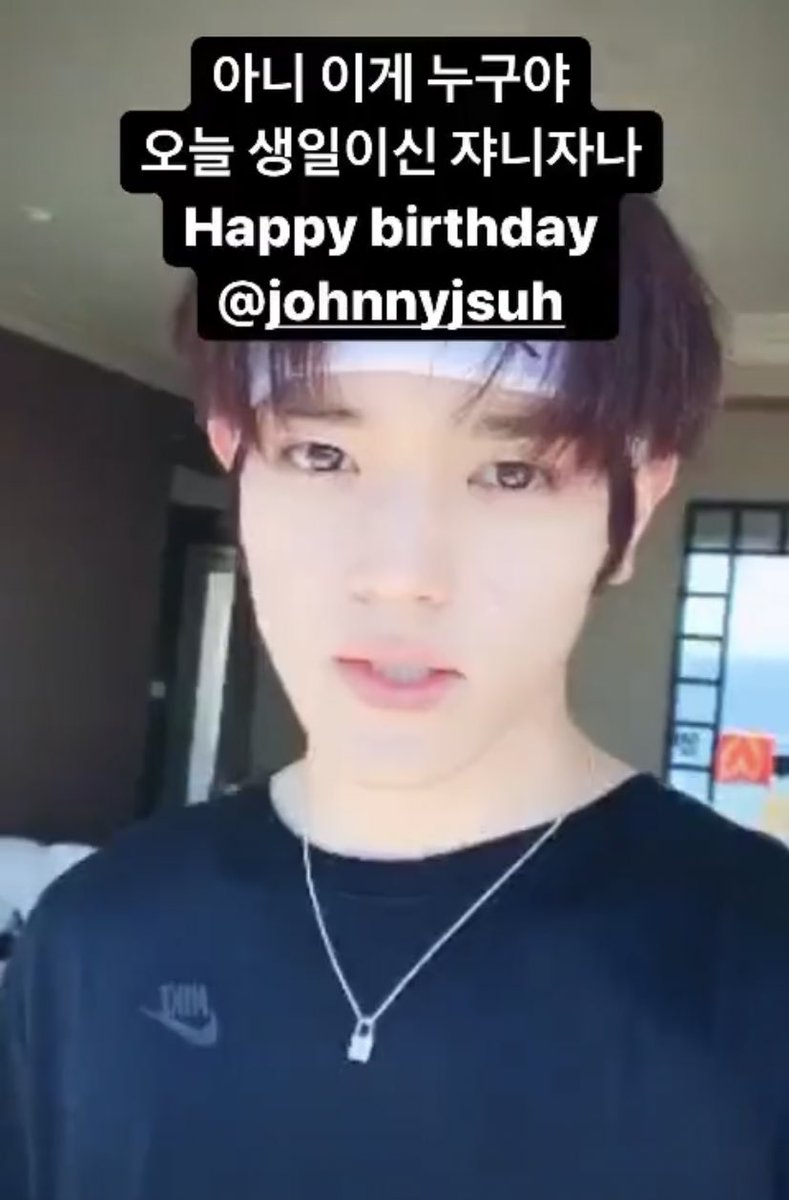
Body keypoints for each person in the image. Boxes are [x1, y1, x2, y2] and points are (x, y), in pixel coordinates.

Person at [3, 194, 789, 1200]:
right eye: (321, 455)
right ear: (237, 463)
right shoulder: (91, 938)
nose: (401, 575)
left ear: (631, 513)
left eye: (513, 471)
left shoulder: (762, 965)